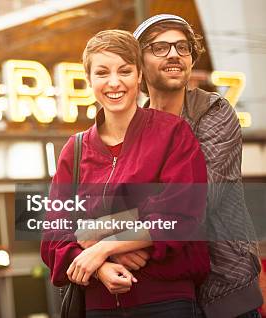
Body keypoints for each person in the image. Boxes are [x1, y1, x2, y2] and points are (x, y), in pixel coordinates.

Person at [40, 29, 210, 317]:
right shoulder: (75, 149)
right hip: (98, 305)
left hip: (167, 302)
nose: (114, 82)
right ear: (89, 80)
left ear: (140, 75)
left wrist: (100, 242)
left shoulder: (173, 133)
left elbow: (181, 216)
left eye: (125, 71)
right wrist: (99, 266)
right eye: (102, 72)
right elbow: (54, 234)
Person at [134, 14, 263, 318]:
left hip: (224, 293)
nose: (174, 54)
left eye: (182, 47)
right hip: (163, 295)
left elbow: (195, 204)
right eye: (159, 48)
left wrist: (113, 235)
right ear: (138, 63)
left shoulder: (215, 112)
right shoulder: (131, 128)